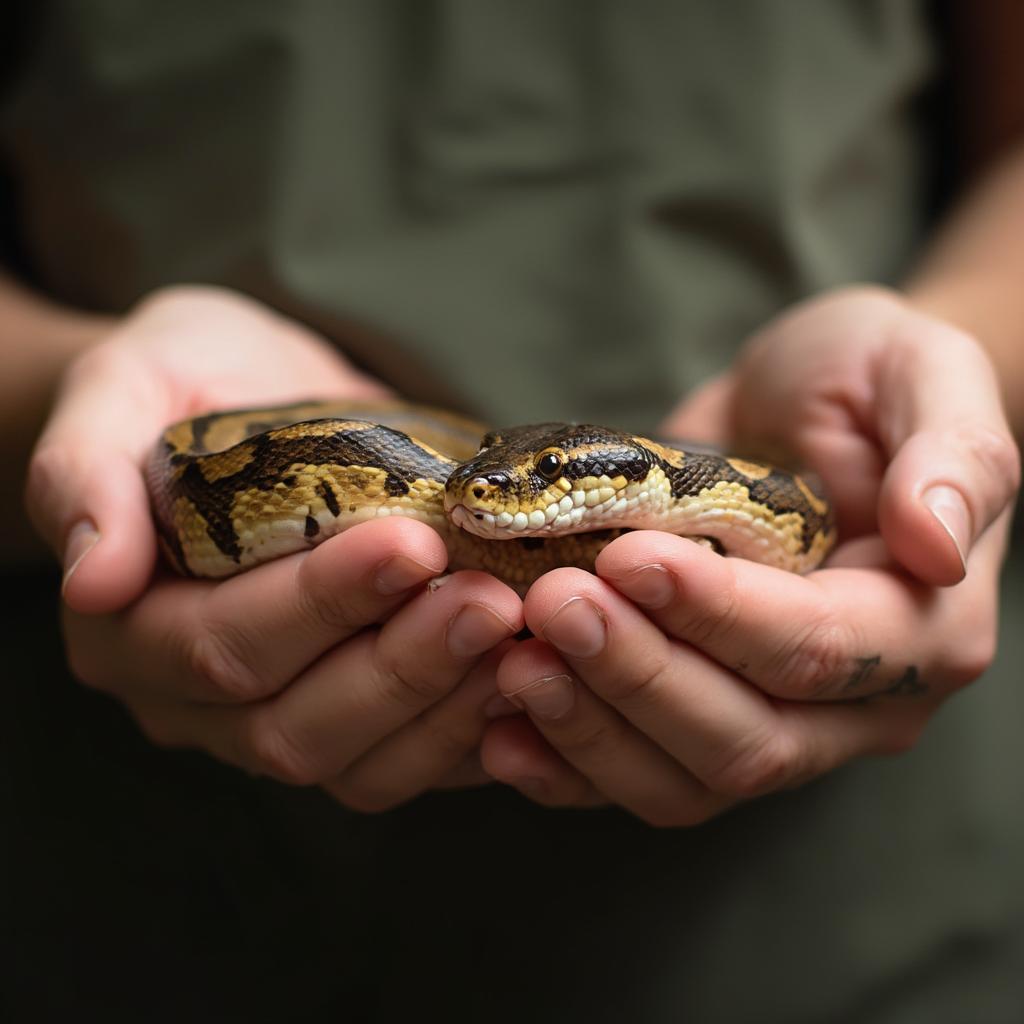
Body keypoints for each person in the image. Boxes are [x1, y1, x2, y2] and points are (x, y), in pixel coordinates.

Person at [3, 3, 1023, 1020]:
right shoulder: (487, 479)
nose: (490, 498)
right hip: (154, 888)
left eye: (545, 485)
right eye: (501, 477)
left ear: (640, 479)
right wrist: (60, 392)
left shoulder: (748, 494)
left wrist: (956, 368)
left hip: (838, 925)